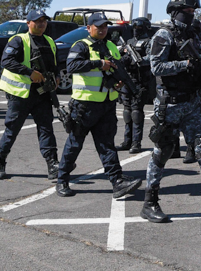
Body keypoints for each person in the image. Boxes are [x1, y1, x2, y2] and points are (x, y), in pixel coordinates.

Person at [141, 0, 201, 223]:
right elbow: (156, 67)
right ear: (175, 12)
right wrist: (185, 64)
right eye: (187, 10)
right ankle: (149, 201)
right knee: (163, 151)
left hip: (191, 103)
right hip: (169, 103)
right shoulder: (163, 35)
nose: (191, 14)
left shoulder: (192, 36)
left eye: (193, 11)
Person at [56, 12, 141, 199]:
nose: (102, 29)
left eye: (105, 26)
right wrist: (98, 63)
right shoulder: (81, 45)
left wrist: (118, 82)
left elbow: (116, 69)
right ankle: (62, 179)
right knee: (74, 144)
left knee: (106, 144)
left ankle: (117, 181)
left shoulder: (111, 45)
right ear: (89, 28)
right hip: (84, 105)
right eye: (98, 26)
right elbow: (72, 66)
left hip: (106, 104)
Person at [0, 10, 60, 181]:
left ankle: (52, 164)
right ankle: (0, 161)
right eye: (37, 21)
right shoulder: (18, 40)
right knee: (12, 129)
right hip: (21, 94)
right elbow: (6, 61)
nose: (41, 24)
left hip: (43, 93)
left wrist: (57, 76)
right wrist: (30, 73)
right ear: (28, 23)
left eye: (44, 21)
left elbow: (54, 63)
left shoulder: (50, 41)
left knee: (46, 129)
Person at [117, 17, 156, 153]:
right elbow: (119, 56)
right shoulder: (129, 42)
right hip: (128, 80)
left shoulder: (149, 43)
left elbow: (152, 59)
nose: (135, 30)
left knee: (136, 113)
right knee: (127, 112)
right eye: (134, 27)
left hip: (141, 82)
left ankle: (136, 143)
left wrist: (137, 61)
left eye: (138, 27)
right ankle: (127, 141)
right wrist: (123, 58)